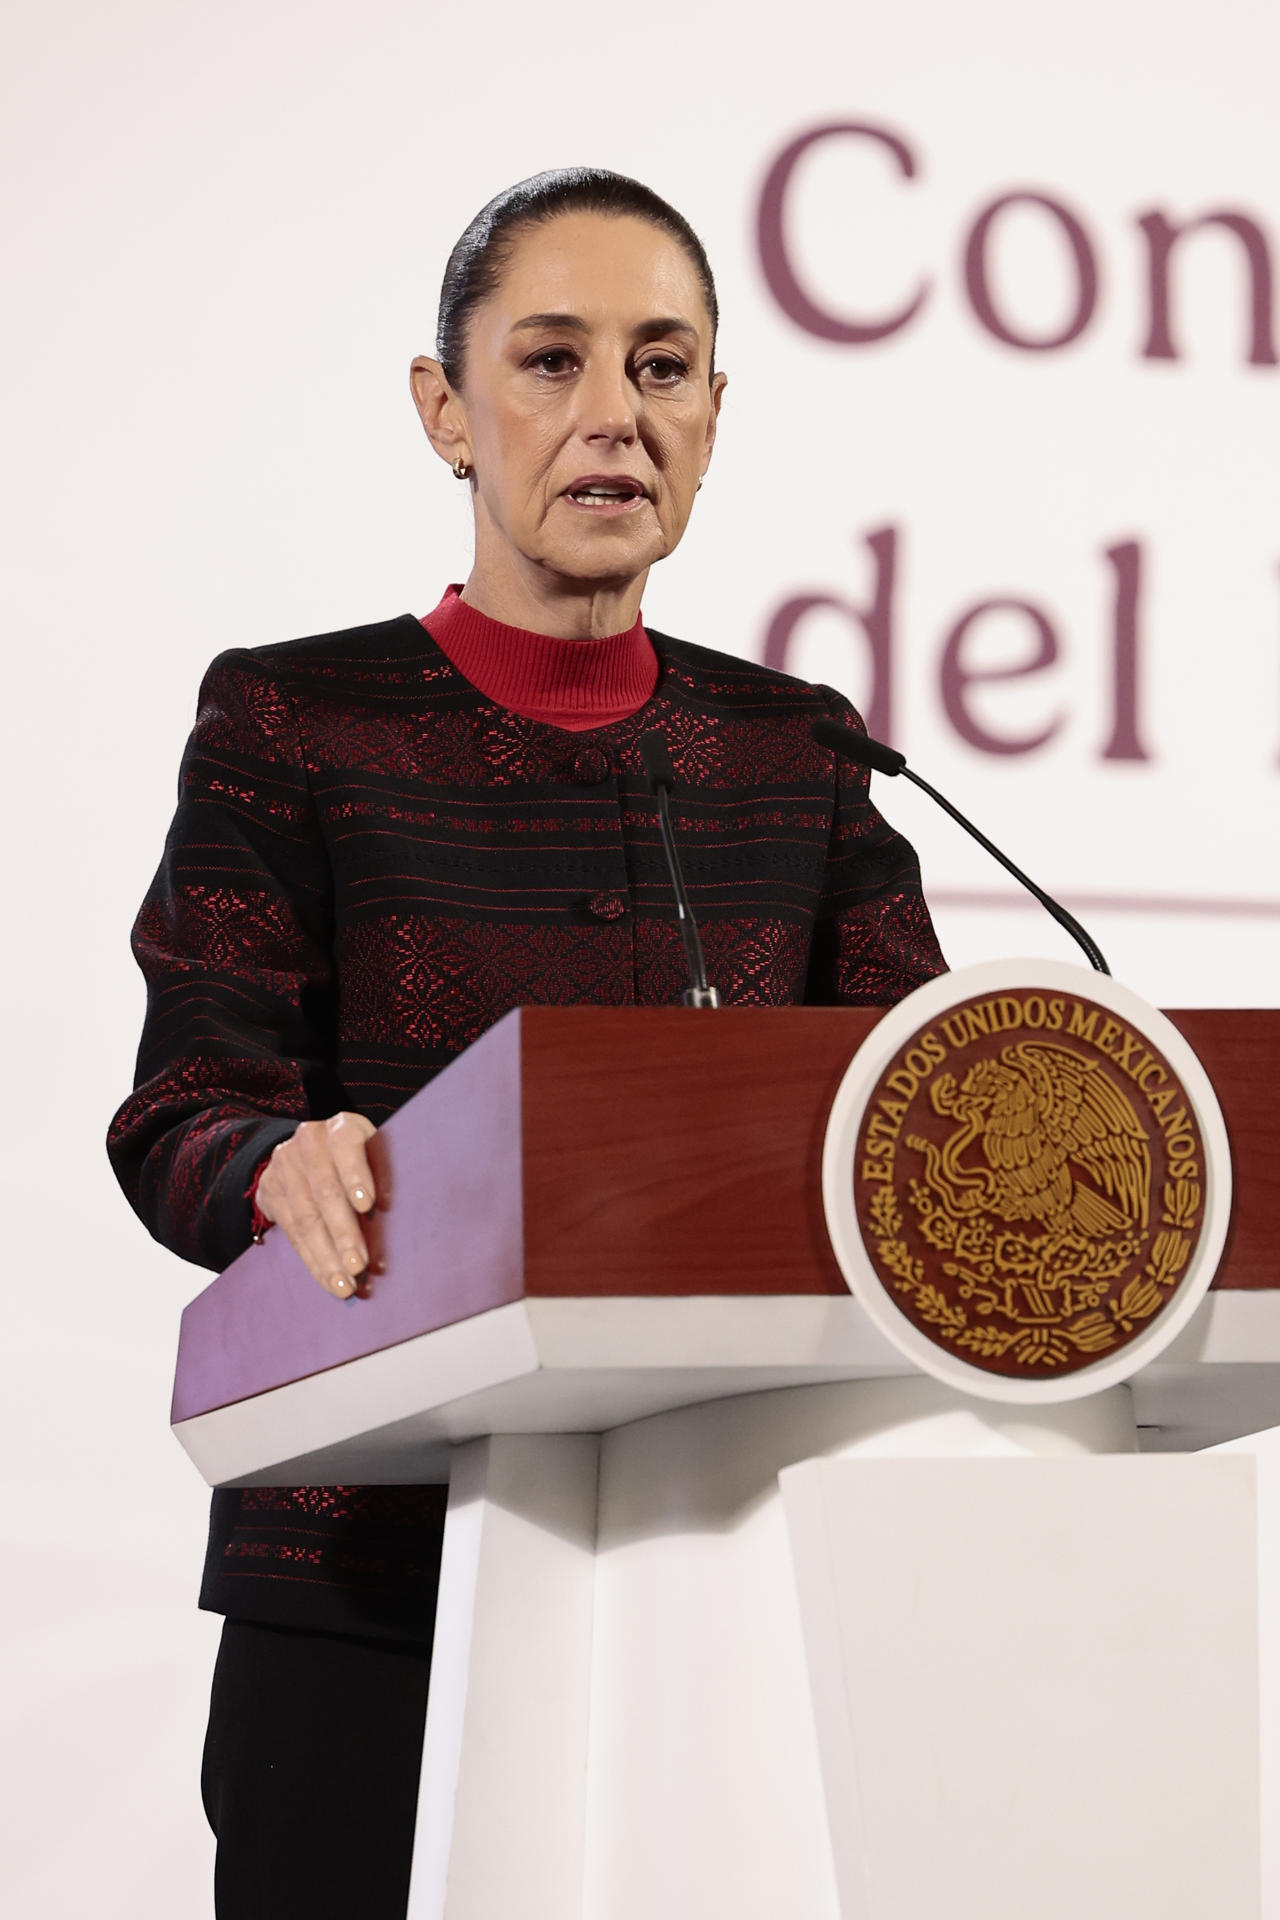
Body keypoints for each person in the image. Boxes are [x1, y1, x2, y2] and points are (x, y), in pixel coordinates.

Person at [107, 167, 946, 1919]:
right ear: (445, 410)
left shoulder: (801, 750)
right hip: (363, 1559)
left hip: (724, 1560)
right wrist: (282, 1165)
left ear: (715, 415)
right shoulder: (293, 716)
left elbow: (914, 1112)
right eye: (551, 361)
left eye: (662, 367)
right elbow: (184, 1109)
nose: (611, 417)